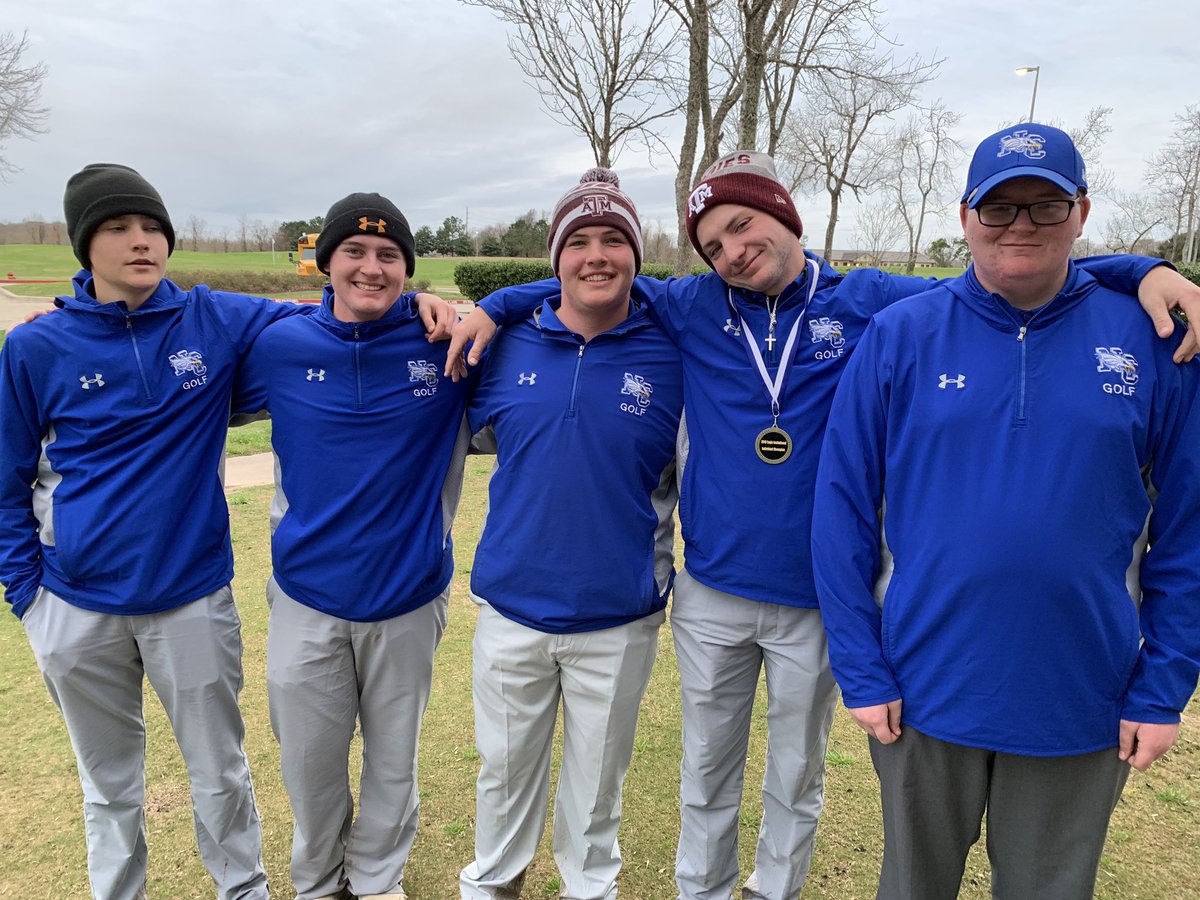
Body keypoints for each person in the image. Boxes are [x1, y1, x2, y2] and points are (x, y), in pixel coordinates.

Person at [447, 151, 1200, 900]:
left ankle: (774, 890)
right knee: (705, 769)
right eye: (713, 244)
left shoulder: (869, 298)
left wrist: (1142, 271)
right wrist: (497, 304)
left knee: (796, 772)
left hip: (815, 598)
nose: (733, 251)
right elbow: (594, 276)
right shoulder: (693, 303)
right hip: (712, 591)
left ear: (785, 216)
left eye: (743, 225)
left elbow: (1007, 268)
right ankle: (702, 891)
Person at [0, 166, 454, 900]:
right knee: (108, 784)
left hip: (192, 596)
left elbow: (335, 311)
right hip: (74, 603)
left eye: (152, 228)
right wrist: (28, 593)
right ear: (84, 244)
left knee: (220, 771)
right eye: (117, 228)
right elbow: (6, 476)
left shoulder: (214, 319)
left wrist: (425, 301)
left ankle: (245, 889)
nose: (140, 242)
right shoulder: (37, 346)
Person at [811, 123, 1200, 900]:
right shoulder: (901, 335)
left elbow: (1188, 531)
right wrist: (859, 666)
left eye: (1045, 205)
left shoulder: (1153, 341)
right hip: (924, 687)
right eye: (998, 207)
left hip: (1080, 695)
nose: (1020, 225)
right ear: (966, 217)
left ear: (1080, 212)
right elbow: (840, 509)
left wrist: (1164, 686)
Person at [231, 192, 474, 900]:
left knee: (394, 762)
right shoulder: (279, 346)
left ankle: (376, 879)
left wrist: (447, 305)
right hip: (306, 597)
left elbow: (555, 318)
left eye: (389, 255)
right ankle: (316, 881)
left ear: (408, 268)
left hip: (409, 594)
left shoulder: (447, 344)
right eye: (355, 253)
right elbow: (187, 341)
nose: (372, 268)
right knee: (309, 762)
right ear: (325, 263)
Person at [457, 169, 684, 900]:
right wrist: (498, 303)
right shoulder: (503, 344)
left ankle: (589, 889)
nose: (596, 256)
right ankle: (494, 884)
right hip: (512, 608)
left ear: (636, 254)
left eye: (614, 239)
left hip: (619, 614)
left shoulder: (674, 349)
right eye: (578, 241)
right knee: (503, 774)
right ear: (555, 257)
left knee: (596, 788)